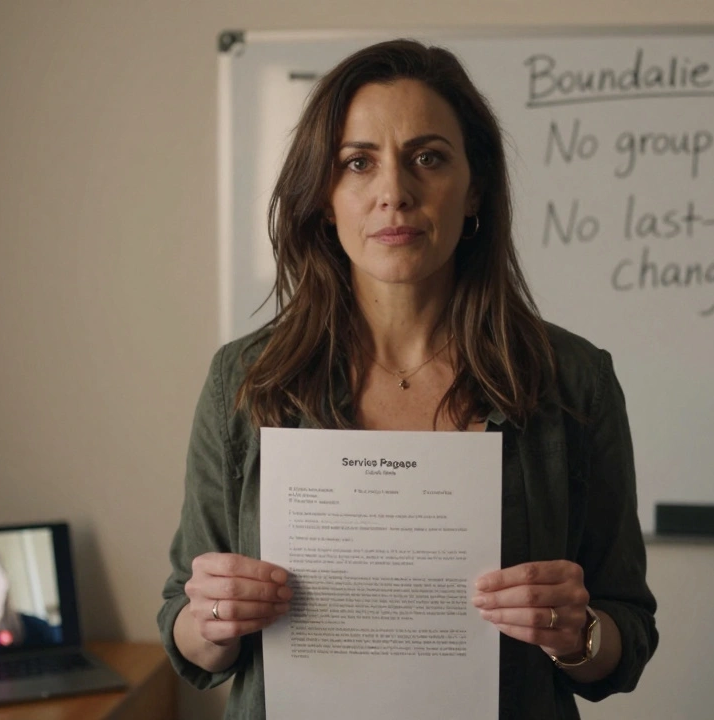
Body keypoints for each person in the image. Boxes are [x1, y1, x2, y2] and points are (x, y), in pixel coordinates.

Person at [158, 39, 657, 718]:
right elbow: (185, 630)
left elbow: (626, 633)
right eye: (358, 163)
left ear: (474, 187)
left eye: (428, 158)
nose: (393, 193)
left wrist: (579, 633)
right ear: (324, 197)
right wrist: (212, 619)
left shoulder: (573, 379)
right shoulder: (245, 380)